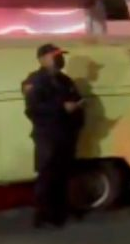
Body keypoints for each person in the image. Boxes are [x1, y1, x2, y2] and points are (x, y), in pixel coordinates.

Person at [22, 44, 85, 228]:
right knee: (47, 176)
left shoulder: (65, 80)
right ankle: (43, 216)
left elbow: (77, 100)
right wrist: (61, 108)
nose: (59, 58)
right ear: (42, 59)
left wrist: (76, 122)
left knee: (63, 175)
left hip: (66, 134)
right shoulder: (34, 81)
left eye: (60, 55)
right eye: (54, 55)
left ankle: (61, 212)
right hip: (47, 135)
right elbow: (33, 109)